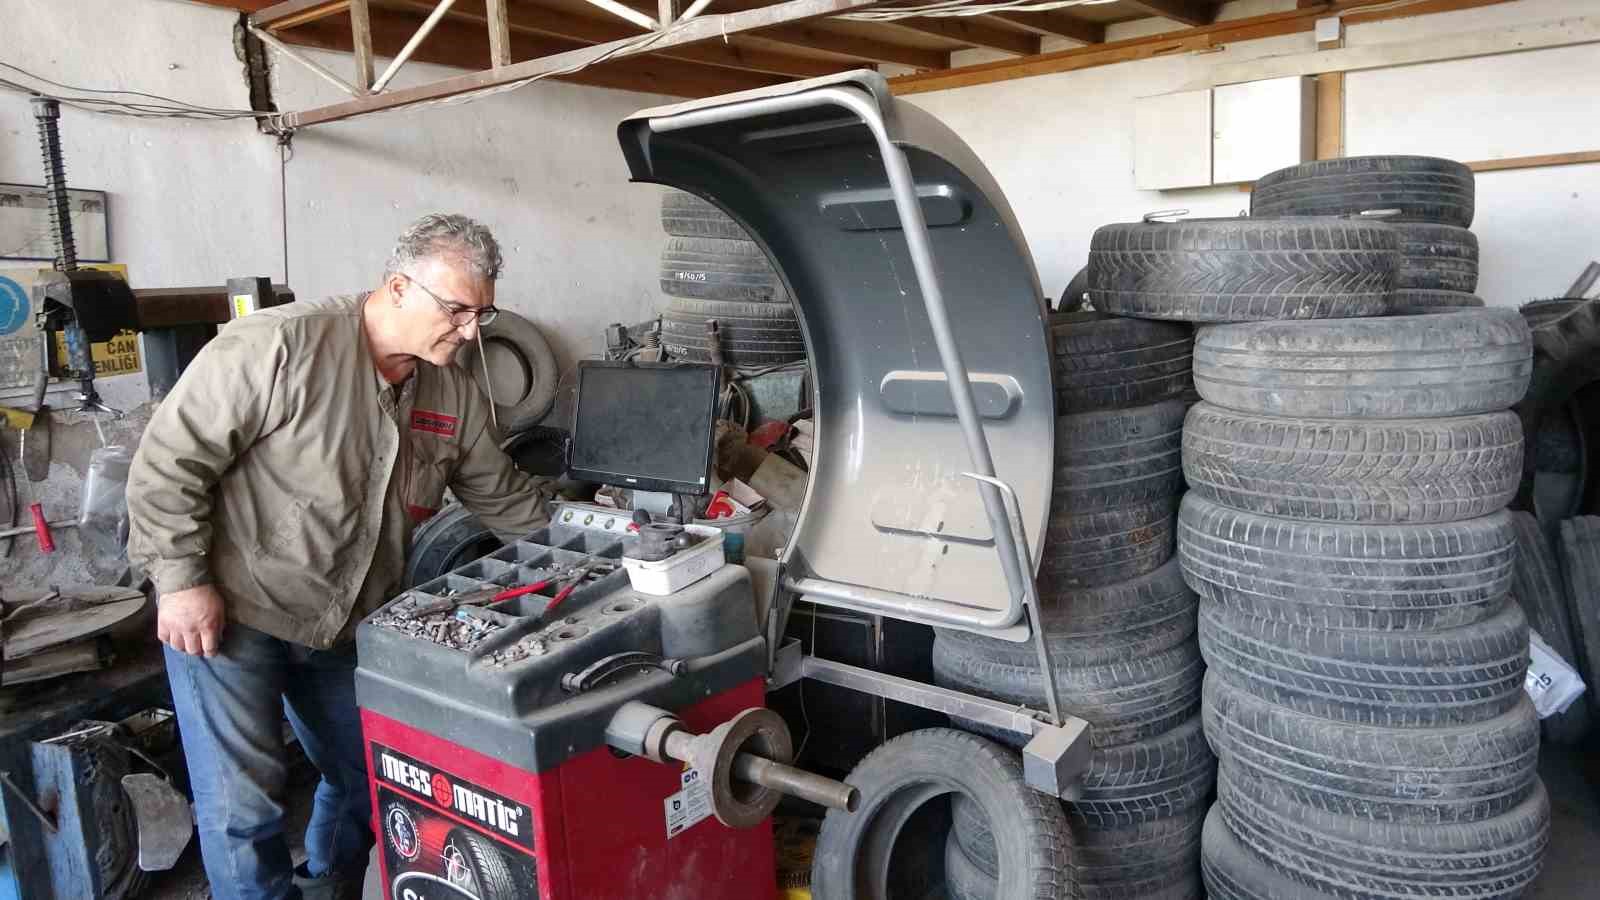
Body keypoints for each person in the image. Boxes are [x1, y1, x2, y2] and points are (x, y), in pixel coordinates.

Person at [127, 214, 551, 900]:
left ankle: (329, 884)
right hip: (236, 614)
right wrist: (179, 582)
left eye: (483, 312)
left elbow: (504, 500)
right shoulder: (279, 347)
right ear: (397, 288)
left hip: (348, 623)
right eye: (458, 310)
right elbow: (169, 464)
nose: (472, 331)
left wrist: (600, 558)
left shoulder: (453, 392)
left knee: (371, 776)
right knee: (245, 810)